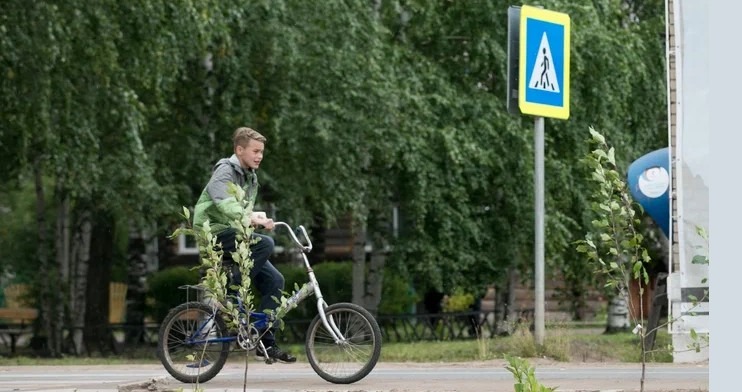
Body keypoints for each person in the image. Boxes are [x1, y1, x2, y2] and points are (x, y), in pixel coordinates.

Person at [192, 126, 296, 363]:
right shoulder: (224, 171)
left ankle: (266, 344)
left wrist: (257, 219)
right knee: (265, 245)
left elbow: (243, 209)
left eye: (262, 152)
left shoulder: (250, 176)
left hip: (232, 231)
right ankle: (230, 288)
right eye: (255, 151)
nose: (259, 156)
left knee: (275, 280)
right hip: (213, 231)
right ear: (240, 150)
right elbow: (225, 204)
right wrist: (249, 219)